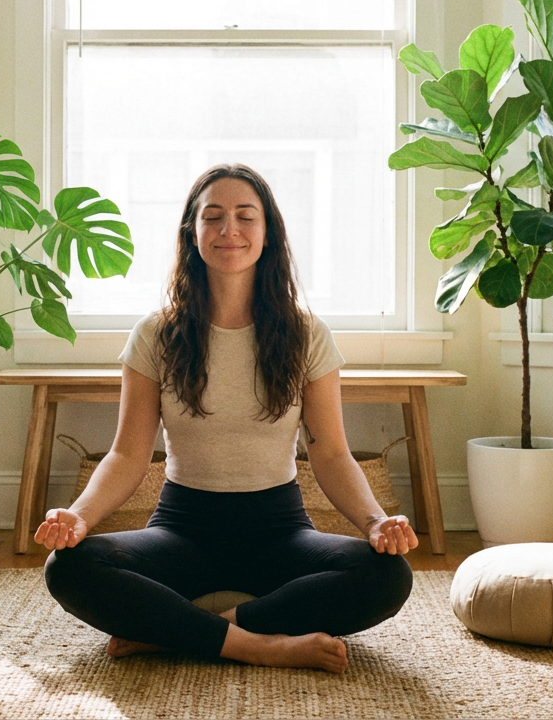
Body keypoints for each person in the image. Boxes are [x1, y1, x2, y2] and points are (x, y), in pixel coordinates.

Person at [38, 164, 417, 674]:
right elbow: (127, 454)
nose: (229, 230)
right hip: (182, 529)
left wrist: (376, 523)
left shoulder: (307, 335)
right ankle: (260, 645)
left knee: (388, 576)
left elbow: (329, 452)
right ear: (192, 234)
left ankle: (178, 631)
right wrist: (79, 517)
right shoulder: (155, 334)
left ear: (268, 232)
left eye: (245, 216)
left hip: (279, 530)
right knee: (70, 567)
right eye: (212, 216)